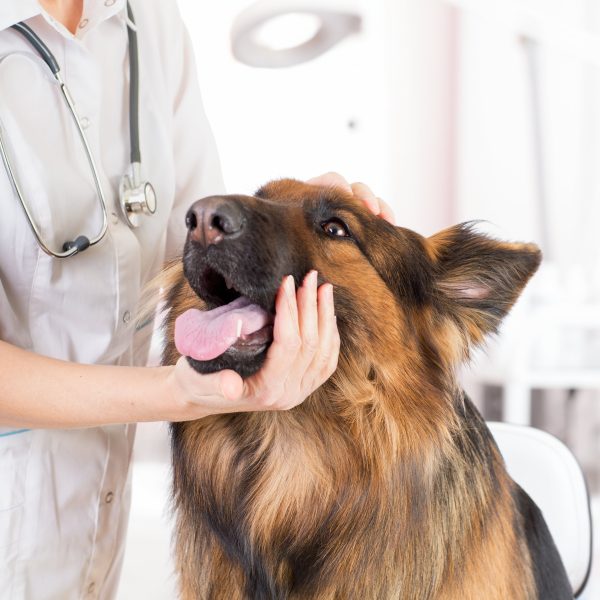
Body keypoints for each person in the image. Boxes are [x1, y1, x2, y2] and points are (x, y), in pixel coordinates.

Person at [0, 1, 394, 598]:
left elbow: (199, 243)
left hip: (91, 536)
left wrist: (306, 224)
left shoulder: (146, 20)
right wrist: (175, 394)